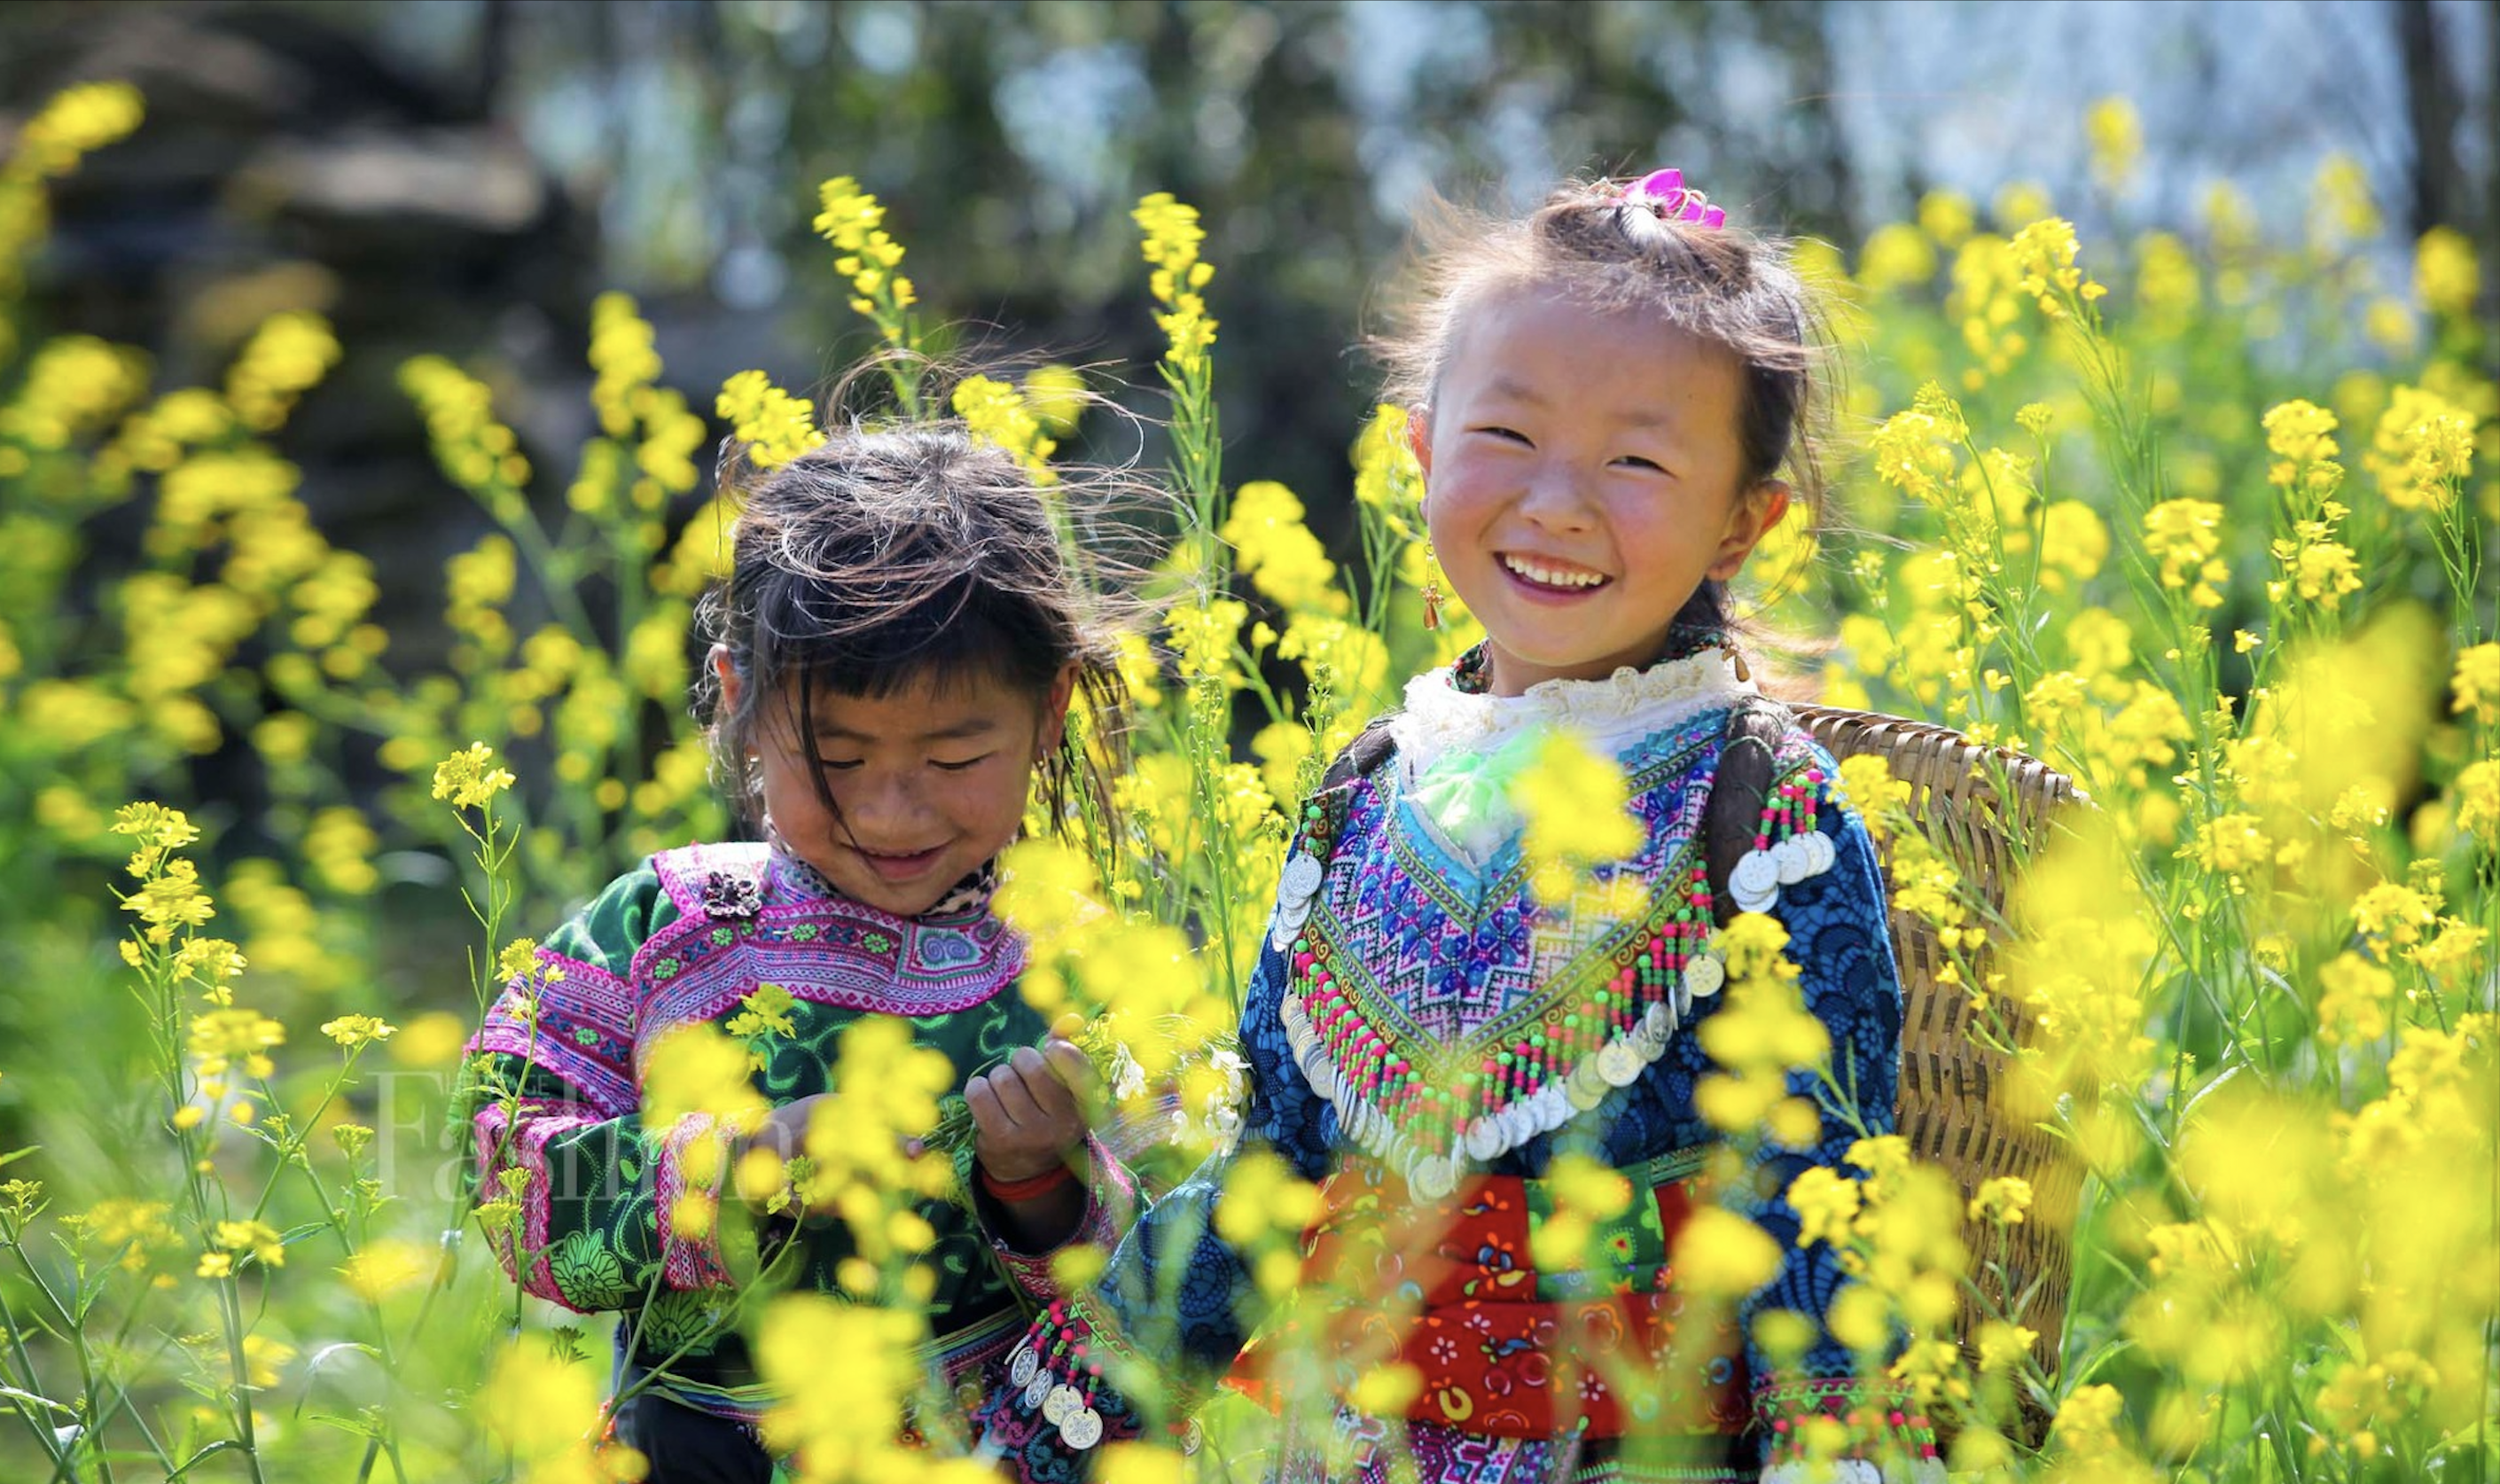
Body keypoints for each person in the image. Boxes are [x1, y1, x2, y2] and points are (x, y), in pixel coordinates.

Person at [979, 170, 1940, 1482]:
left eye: (1639, 459)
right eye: (1507, 436)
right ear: (1421, 450)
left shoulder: (1755, 801)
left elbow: (1821, 1195)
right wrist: (1060, 1415)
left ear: (1742, 522)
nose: (1556, 502)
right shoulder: (1365, 784)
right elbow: (1275, 1174)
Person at [463, 414, 1141, 1482]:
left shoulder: (1080, 966)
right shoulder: (663, 930)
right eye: (837, 754)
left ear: (1050, 712)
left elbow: (1167, 1274)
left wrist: (1040, 1182)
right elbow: (503, 1171)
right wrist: (724, 1169)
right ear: (739, 701)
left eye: (956, 753)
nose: (892, 809)